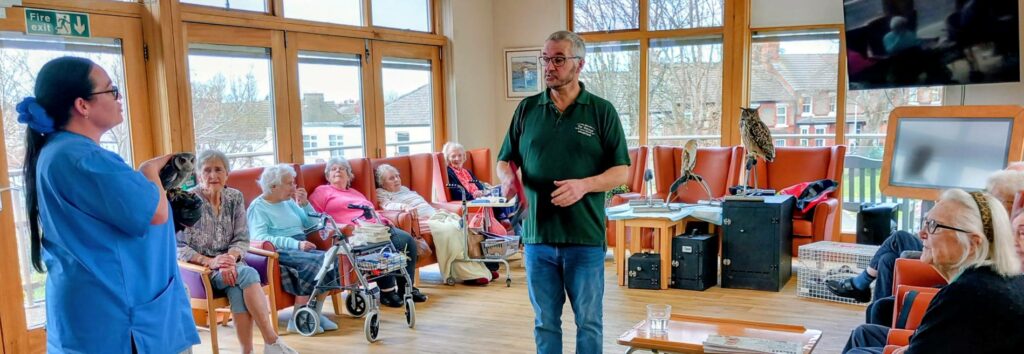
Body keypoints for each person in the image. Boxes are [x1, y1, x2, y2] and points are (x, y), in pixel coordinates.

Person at [19, 56, 199, 353]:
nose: (119, 98)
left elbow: (111, 218)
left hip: (93, 304)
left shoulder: (59, 152)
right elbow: (154, 212)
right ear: (83, 105)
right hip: (116, 312)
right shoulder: (81, 157)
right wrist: (149, 172)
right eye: (111, 90)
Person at [496, 30, 630, 354]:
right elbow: (504, 159)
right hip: (537, 239)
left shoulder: (601, 111)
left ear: (579, 64)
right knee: (545, 322)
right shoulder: (527, 110)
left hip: (584, 239)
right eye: (545, 59)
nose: (549, 66)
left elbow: (622, 171)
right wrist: (507, 179)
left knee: (589, 322)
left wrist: (584, 185)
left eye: (558, 59)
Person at [844, 189, 1024, 353]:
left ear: (972, 244)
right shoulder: (1002, 279)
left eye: (934, 226)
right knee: (865, 334)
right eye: (925, 222)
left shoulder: (965, 294)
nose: (921, 233)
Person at [828, 163, 1024, 306]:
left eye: (997, 197)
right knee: (888, 259)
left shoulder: (1010, 231)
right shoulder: (995, 219)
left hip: (954, 261)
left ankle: (860, 284)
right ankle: (869, 299)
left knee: (899, 239)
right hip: (952, 257)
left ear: (1016, 202)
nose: (989, 200)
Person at [177, 150, 296, 354]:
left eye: (218, 170)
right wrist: (212, 262)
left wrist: (230, 259)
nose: (213, 176)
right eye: (207, 170)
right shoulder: (187, 201)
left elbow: (242, 237)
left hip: (232, 266)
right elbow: (179, 247)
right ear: (198, 174)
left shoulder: (234, 197)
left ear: (227, 173)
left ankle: (247, 352)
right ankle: (271, 340)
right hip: (202, 270)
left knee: (239, 288)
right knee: (248, 274)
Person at [308, 157, 428, 307]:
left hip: (376, 228)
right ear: (327, 176)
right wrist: (342, 227)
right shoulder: (322, 192)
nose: (338, 170)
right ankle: (387, 292)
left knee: (407, 241)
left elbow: (371, 210)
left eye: (342, 168)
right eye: (333, 169)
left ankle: (406, 289)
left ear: (349, 175)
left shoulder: (355, 193)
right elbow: (315, 218)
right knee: (383, 247)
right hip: (357, 233)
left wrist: (384, 220)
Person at [246, 164, 338, 334]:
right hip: (278, 250)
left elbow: (311, 225)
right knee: (315, 263)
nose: (294, 187)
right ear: (273, 186)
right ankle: (298, 318)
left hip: (300, 244)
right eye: (289, 183)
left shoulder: (288, 202)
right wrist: (295, 244)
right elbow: (259, 238)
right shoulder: (258, 207)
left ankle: (313, 313)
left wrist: (305, 205)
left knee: (332, 259)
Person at [375, 164, 493, 285]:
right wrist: (404, 206)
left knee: (463, 226)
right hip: (420, 220)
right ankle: (467, 274)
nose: (396, 179)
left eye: (397, 176)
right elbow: (387, 206)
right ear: (382, 183)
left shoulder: (404, 189)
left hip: (434, 214)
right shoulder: (381, 192)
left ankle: (479, 268)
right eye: (391, 178)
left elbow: (424, 203)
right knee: (451, 230)